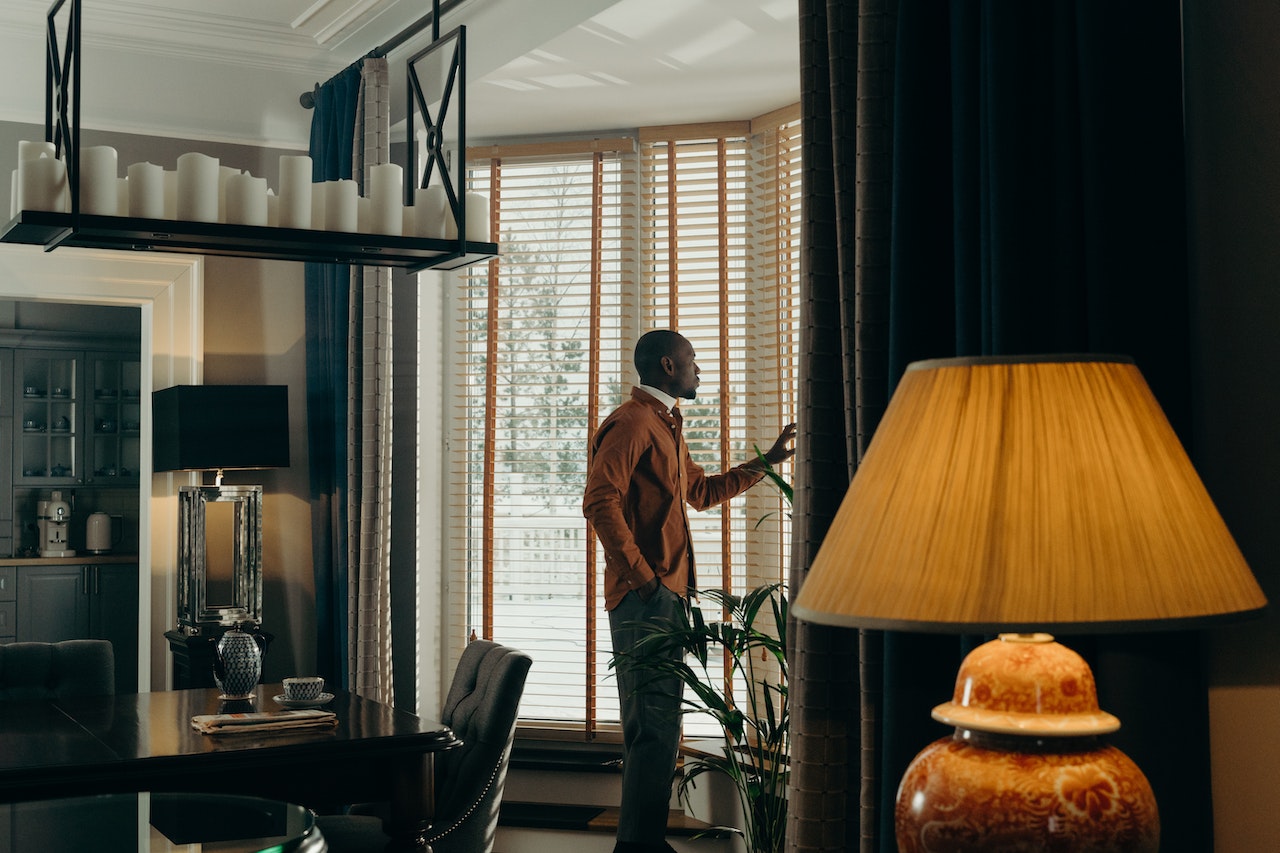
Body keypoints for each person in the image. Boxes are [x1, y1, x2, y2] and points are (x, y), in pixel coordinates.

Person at [583, 329, 796, 853]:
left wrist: (765, 462)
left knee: (656, 733)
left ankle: (640, 846)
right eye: (693, 360)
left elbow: (698, 493)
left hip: (667, 599)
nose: (699, 370)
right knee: (652, 733)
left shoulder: (666, 426)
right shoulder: (632, 423)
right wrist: (645, 580)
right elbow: (599, 501)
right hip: (645, 600)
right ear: (667, 366)